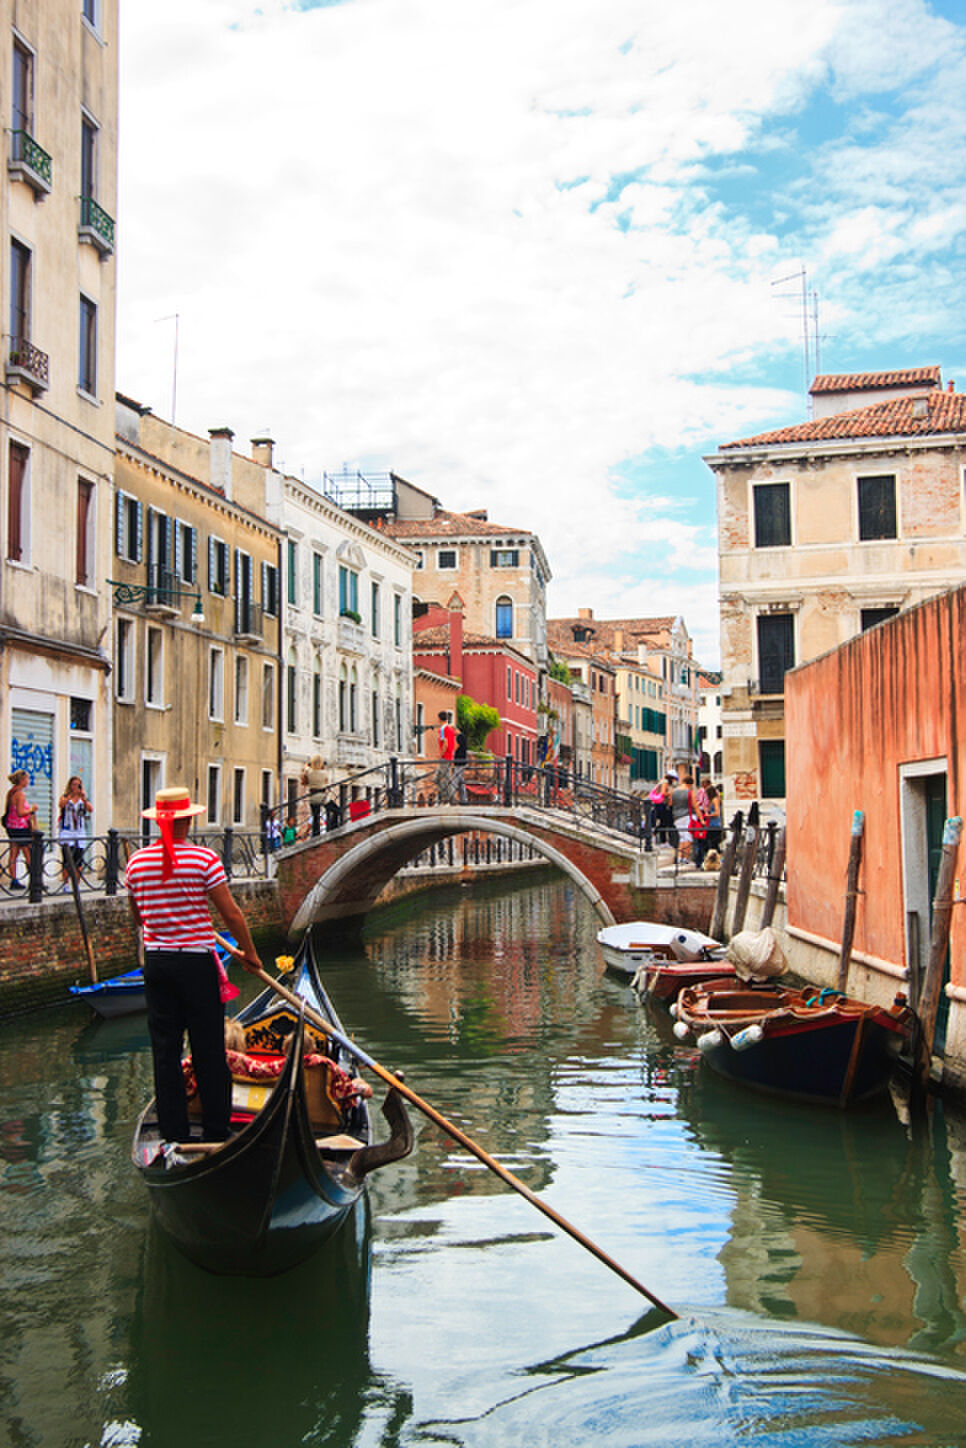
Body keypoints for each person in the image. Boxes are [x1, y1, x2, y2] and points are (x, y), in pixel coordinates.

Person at [125, 786, 263, 1144]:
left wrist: (166, 921)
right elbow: (230, 913)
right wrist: (251, 954)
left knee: (165, 1051)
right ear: (188, 819)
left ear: (158, 823)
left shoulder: (136, 863)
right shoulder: (204, 860)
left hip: (157, 964)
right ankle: (216, 1131)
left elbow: (139, 916)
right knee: (209, 1050)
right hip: (196, 964)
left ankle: (174, 1134)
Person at [3, 770, 36, 891]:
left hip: (11, 827)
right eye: (27, 779)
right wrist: (32, 810)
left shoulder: (11, 792)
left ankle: (14, 880)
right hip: (21, 828)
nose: (28, 781)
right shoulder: (20, 794)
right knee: (29, 854)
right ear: (22, 780)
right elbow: (20, 812)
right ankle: (34, 880)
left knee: (14, 853)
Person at [58, 776, 91, 889]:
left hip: (79, 832)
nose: (76, 787)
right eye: (74, 784)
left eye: (78, 784)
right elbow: (61, 804)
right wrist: (71, 796)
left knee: (78, 861)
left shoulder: (82, 800)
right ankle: (65, 884)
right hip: (67, 832)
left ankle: (76, 884)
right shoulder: (65, 797)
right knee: (67, 859)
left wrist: (84, 798)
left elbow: (90, 809)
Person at [670, 769, 705, 864]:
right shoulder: (689, 792)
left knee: (681, 837)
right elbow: (695, 806)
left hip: (677, 817)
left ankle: (679, 857)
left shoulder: (674, 792)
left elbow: (670, 803)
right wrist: (701, 820)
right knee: (688, 837)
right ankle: (685, 858)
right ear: (690, 784)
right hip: (688, 816)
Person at [300, 756, 328, 837]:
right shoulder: (324, 773)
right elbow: (326, 781)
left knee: (315, 815)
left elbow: (304, 782)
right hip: (323, 796)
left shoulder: (309, 772)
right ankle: (333, 826)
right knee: (334, 809)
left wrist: (306, 768)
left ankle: (316, 834)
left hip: (313, 796)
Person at [436, 712, 456, 803]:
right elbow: (454, 744)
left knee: (440, 778)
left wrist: (440, 755)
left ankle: (447, 797)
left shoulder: (443, 730)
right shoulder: (451, 730)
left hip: (445, 757)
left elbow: (445, 744)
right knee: (445, 778)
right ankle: (449, 797)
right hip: (449, 757)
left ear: (439, 719)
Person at [453, 726, 468, 804]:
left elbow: (456, 746)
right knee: (461, 781)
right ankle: (464, 799)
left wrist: (451, 753)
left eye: (453, 731)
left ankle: (452, 798)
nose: (453, 733)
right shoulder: (463, 737)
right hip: (462, 761)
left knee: (455, 780)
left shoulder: (460, 737)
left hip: (459, 761)